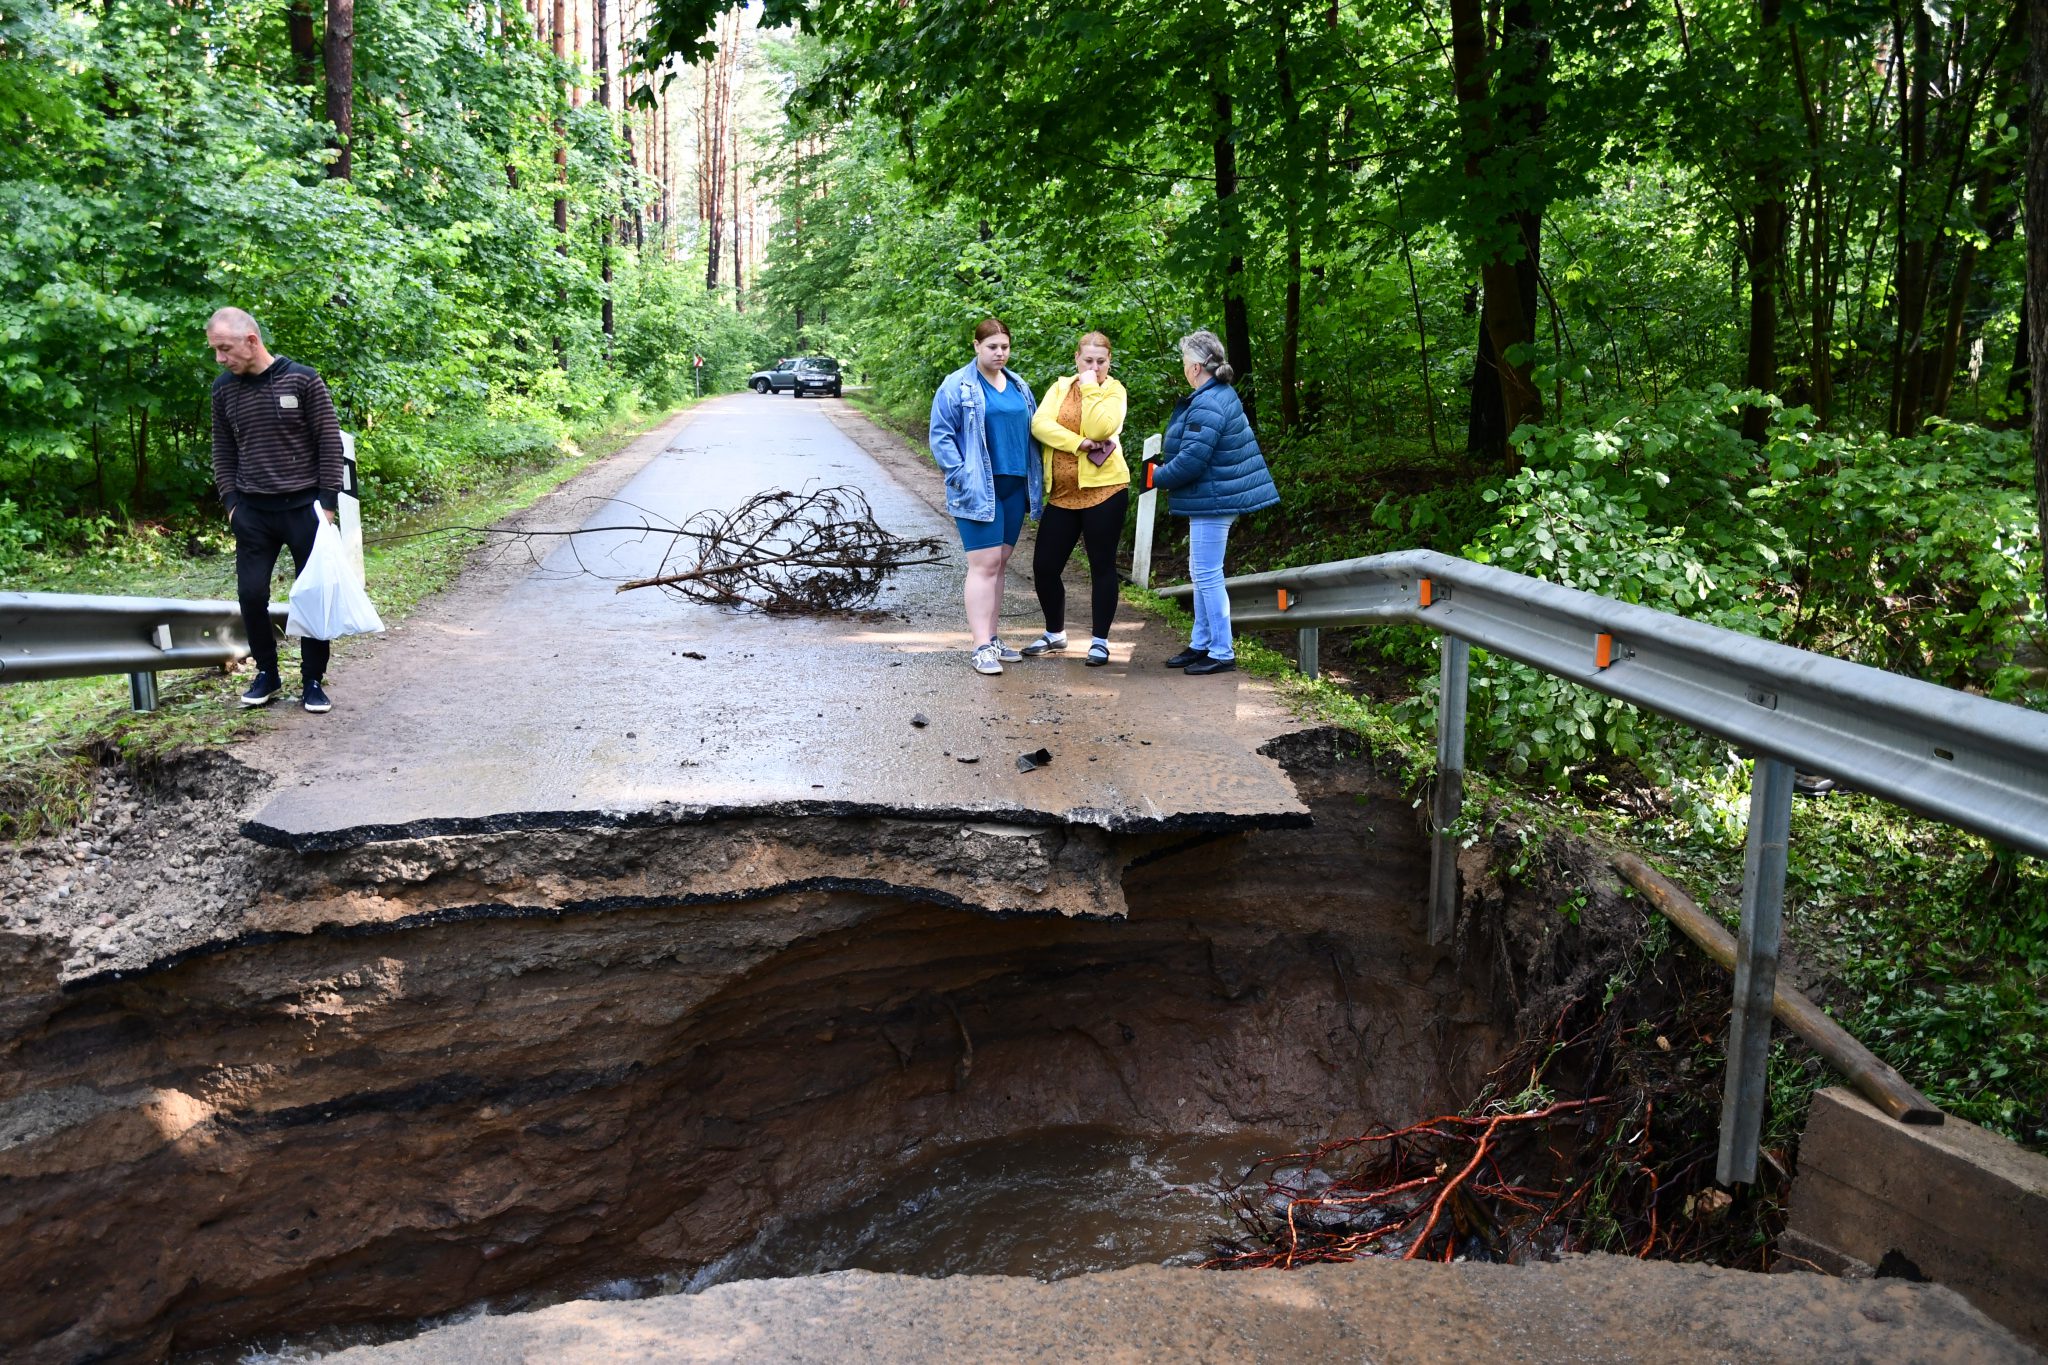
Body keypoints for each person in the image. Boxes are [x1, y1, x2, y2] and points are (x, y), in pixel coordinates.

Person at [206, 306, 345, 713]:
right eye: (215, 350)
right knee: (251, 595)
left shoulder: (302, 378)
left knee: (312, 596)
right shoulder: (223, 389)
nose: (220, 358)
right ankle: (266, 673)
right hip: (253, 512)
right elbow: (223, 449)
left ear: (251, 341)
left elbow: (329, 442)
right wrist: (231, 504)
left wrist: (328, 504)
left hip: (305, 508)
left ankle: (313, 681)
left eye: (225, 348)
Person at [1146, 329, 1280, 676]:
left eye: (1183, 363)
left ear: (1194, 367)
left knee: (1207, 574)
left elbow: (1193, 459)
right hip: (1213, 496)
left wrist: (1156, 476)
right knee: (1202, 572)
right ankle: (1202, 643)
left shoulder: (1208, 400)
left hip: (1215, 499)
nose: (1183, 369)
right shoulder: (1219, 393)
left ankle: (1222, 650)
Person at [929, 318, 1040, 675]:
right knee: (984, 564)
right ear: (976, 346)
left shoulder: (1019, 385)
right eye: (992, 346)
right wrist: (960, 475)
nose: (1000, 353)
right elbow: (941, 435)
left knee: (1001, 563)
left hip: (1014, 487)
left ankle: (992, 638)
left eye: (1005, 346)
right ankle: (979, 646)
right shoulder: (957, 385)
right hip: (979, 488)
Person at [1022, 331, 1129, 667]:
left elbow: (1100, 428)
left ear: (1109, 361)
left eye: (1101, 361)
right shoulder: (1060, 387)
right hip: (1063, 494)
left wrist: (1091, 387)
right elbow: (1040, 425)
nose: (1094, 367)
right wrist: (1078, 444)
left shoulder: (1113, 390)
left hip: (1105, 491)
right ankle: (1055, 634)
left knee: (1101, 566)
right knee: (1045, 567)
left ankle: (1100, 641)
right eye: (1088, 361)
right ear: (1076, 358)